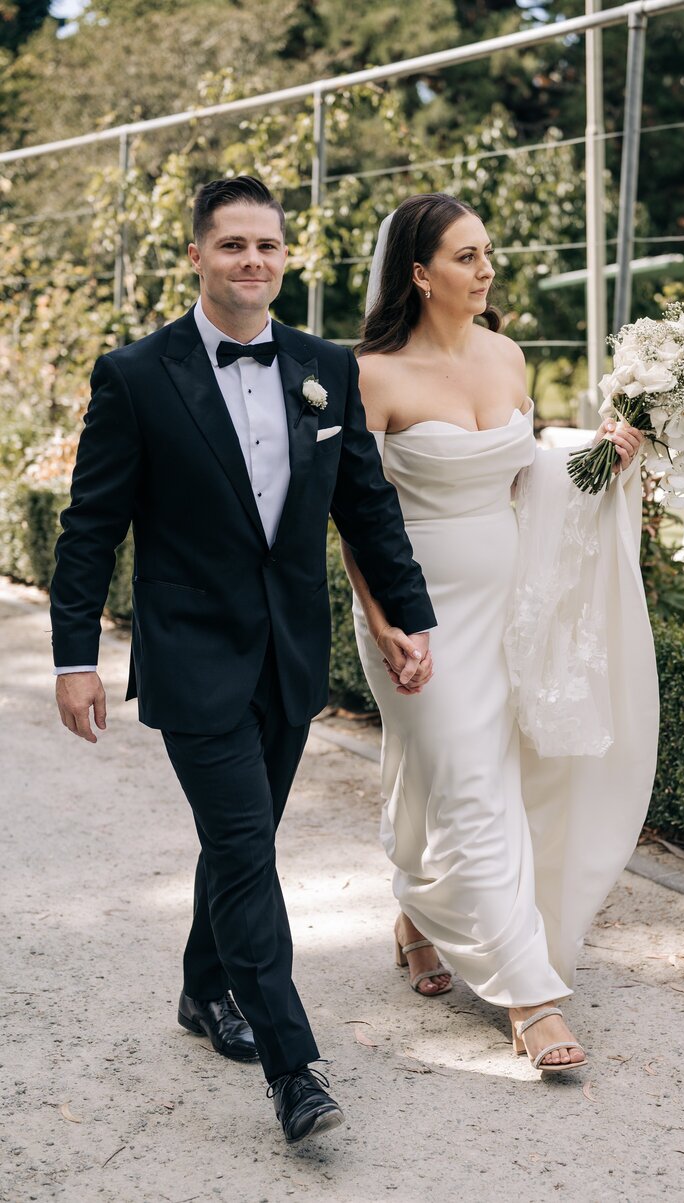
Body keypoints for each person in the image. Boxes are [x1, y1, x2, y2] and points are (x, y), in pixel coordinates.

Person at [50, 175, 436, 1142]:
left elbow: (367, 503)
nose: (251, 261)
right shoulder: (136, 375)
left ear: (285, 256)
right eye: (232, 245)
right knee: (242, 846)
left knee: (242, 841)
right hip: (192, 657)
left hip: (289, 653)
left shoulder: (323, 366)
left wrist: (409, 613)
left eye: (266, 245)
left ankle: (200, 988)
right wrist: (74, 655)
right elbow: (91, 524)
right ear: (197, 256)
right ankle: (292, 1065)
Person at [342, 193, 657, 1074]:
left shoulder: (508, 355)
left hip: (509, 601)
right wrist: (382, 620)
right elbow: (355, 514)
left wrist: (600, 461)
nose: (487, 272)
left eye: (488, 254)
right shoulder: (373, 374)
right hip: (415, 612)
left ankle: (416, 908)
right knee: (469, 776)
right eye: (466, 257)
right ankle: (531, 995)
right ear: (418, 272)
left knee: (478, 771)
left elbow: (527, 478)